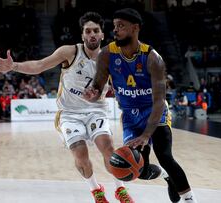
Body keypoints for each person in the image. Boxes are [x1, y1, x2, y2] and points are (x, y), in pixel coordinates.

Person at [0, 12, 134, 203]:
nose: (92, 34)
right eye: (88, 31)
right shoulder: (70, 52)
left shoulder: (111, 58)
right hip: (69, 113)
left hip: (96, 111)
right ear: (82, 35)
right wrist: (14, 66)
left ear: (102, 35)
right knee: (80, 154)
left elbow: (121, 87)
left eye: (96, 31)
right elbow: (39, 66)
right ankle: (96, 190)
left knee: (107, 147)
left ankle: (120, 190)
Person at [84, 8, 198, 203]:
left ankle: (189, 199)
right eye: (114, 26)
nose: (115, 30)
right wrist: (92, 94)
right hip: (130, 117)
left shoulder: (153, 58)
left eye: (121, 26)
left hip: (154, 112)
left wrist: (146, 135)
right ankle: (167, 177)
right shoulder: (107, 54)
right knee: (138, 170)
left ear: (135, 28)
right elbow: (98, 85)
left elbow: (159, 101)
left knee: (164, 155)